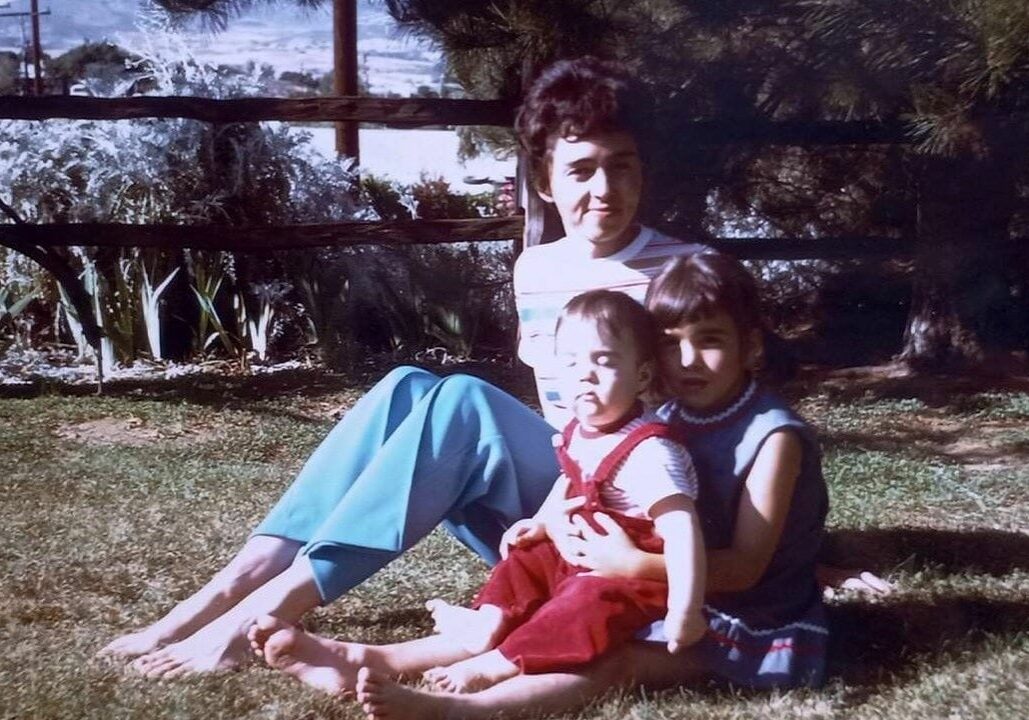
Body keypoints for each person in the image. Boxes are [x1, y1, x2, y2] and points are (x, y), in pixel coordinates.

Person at [98, 56, 885, 680]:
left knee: (463, 404)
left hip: (648, 520)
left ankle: (258, 618)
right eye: (580, 170)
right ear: (544, 179)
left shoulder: (684, 271)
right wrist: (547, 511)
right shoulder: (534, 269)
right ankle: (222, 592)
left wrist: (799, 554)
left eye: (622, 166)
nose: (603, 189)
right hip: (558, 508)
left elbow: (735, 430)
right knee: (408, 388)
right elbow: (559, 417)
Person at [353, 249, 831, 718]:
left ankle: (463, 709)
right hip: (665, 583)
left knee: (608, 655)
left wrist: (631, 563)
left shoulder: (772, 438)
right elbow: (586, 477)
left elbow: (745, 570)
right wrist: (551, 524)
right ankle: (379, 659)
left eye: (710, 340)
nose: (687, 360)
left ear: (750, 346)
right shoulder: (665, 416)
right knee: (548, 600)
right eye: (669, 342)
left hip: (744, 613)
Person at [245, 290, 708, 693]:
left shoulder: (651, 452)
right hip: (581, 551)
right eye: (571, 362)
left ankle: (495, 664)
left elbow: (684, 534)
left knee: (584, 605)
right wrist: (542, 521)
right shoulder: (581, 430)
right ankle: (481, 628)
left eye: (603, 362)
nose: (585, 375)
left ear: (643, 377)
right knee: (523, 562)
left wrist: (685, 611)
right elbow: (569, 479)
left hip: (631, 577)